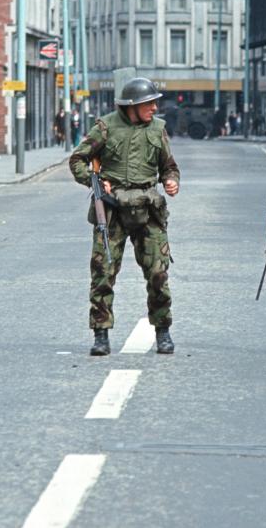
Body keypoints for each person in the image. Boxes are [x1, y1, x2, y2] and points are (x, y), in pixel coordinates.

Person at [69, 77, 180, 356]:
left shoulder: (158, 129)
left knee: (157, 273)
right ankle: (101, 334)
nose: (155, 107)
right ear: (133, 105)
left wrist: (171, 181)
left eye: (155, 102)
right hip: (112, 209)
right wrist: (95, 182)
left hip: (147, 208)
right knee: (103, 272)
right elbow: (77, 160)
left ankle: (163, 331)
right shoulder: (105, 127)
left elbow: (169, 166)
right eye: (149, 103)